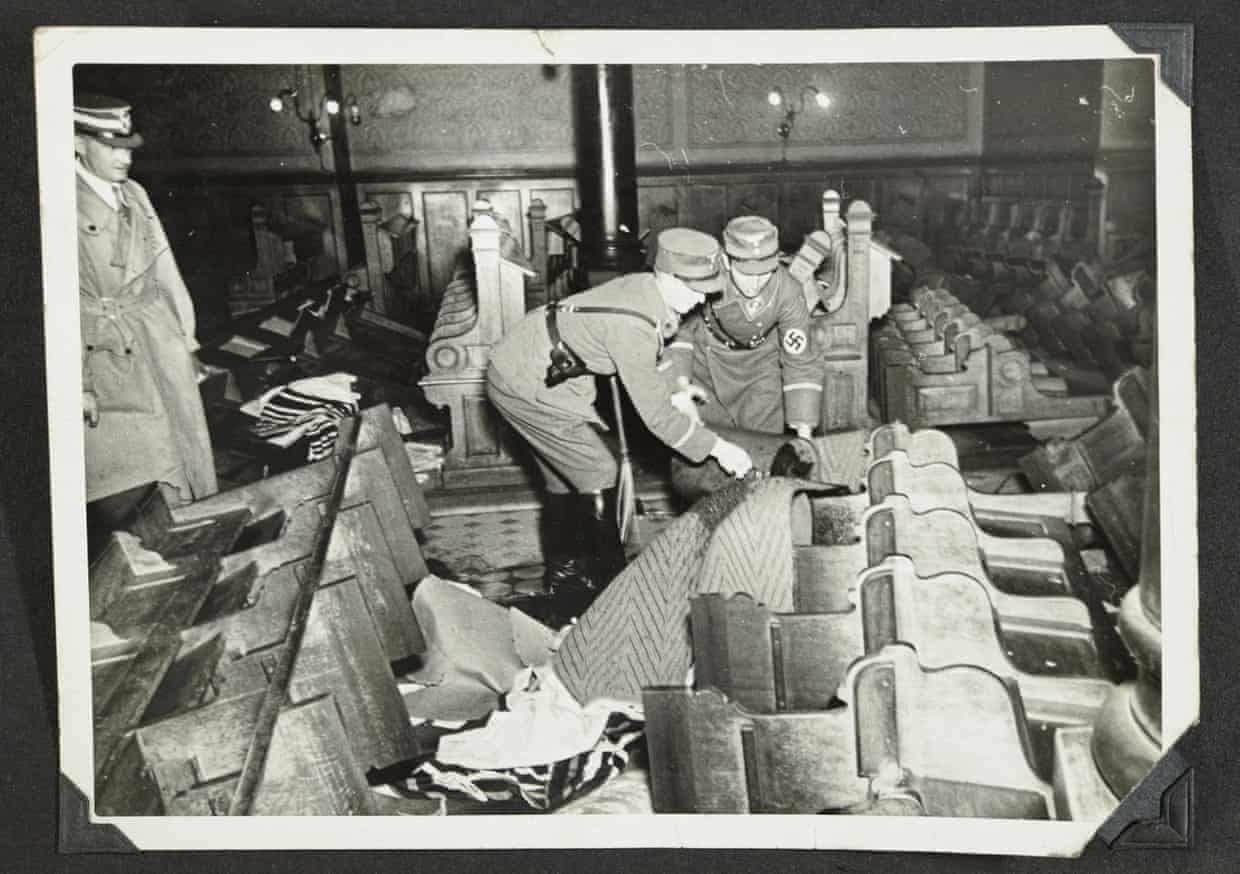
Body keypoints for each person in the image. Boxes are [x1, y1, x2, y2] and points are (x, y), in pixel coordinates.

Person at [486, 228, 754, 608]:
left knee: (566, 477)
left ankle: (564, 578)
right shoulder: (631, 325)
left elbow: (655, 351)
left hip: (540, 365)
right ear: (665, 275)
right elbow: (657, 418)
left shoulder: (649, 291)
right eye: (694, 288)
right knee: (597, 470)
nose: (700, 299)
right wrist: (718, 449)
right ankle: (611, 590)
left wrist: (677, 391)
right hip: (525, 379)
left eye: (707, 289)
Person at [76, 92, 217, 535]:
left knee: (184, 458)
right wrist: (78, 382)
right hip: (106, 356)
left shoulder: (134, 194)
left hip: (156, 338)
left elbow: (164, 270)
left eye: (128, 148)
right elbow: (58, 305)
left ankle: (188, 543)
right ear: (77, 143)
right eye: (110, 147)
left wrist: (186, 342)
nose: (124, 158)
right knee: (132, 479)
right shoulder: (59, 202)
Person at [665, 215, 824, 439]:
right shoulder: (707, 274)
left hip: (761, 366)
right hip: (706, 364)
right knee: (704, 441)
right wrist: (681, 385)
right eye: (747, 273)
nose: (756, 283)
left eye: (765, 272)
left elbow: (801, 361)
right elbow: (681, 330)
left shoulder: (788, 291)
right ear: (726, 261)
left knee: (763, 442)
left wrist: (804, 437)